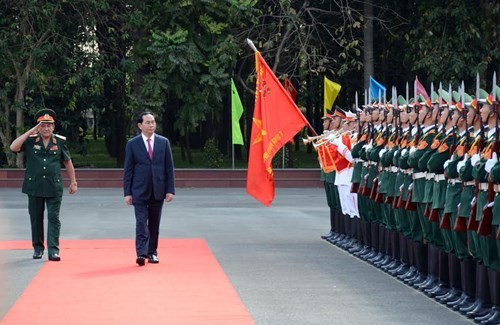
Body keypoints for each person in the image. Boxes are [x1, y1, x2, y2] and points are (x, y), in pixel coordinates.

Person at [9, 108, 78, 261]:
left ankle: (53, 250)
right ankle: (38, 248)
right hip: (34, 186)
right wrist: (31, 130)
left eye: (49, 125)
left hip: (54, 186)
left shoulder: (59, 141)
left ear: (53, 127)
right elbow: (13, 147)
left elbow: (67, 162)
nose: (46, 128)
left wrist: (73, 182)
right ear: (38, 127)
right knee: (36, 217)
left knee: (54, 218)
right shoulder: (30, 140)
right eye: (43, 125)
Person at [123, 112, 175, 266]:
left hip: (158, 189)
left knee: (154, 223)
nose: (151, 125)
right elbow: (128, 170)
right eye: (148, 122)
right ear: (140, 125)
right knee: (141, 222)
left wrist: (170, 190)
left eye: (153, 122)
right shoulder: (132, 144)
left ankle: (152, 252)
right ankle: (141, 253)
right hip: (139, 190)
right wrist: (127, 193)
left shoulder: (163, 142)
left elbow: (169, 168)